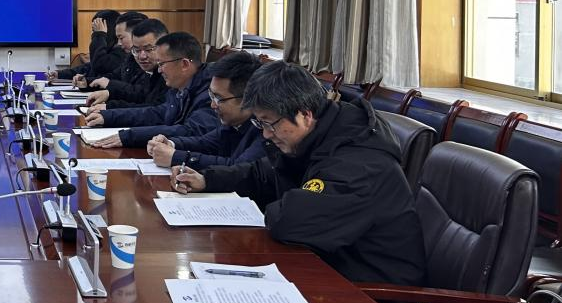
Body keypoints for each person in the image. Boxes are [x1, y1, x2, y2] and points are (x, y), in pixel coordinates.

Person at [172, 62, 426, 285]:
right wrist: (208, 179)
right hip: (327, 267)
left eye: (269, 123)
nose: (265, 134)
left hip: (370, 293)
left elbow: (289, 222)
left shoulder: (359, 161)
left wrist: (275, 205)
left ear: (304, 114)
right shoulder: (320, 134)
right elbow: (266, 173)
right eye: (259, 123)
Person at [87, 31, 218, 148]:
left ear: (184, 64)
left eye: (162, 64)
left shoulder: (212, 92)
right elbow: (159, 113)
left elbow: (190, 131)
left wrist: (130, 136)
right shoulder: (180, 85)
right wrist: (109, 116)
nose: (159, 70)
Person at [149, 50, 265, 171]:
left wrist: (176, 157)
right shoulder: (233, 122)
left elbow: (236, 168)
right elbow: (205, 143)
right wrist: (171, 143)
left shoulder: (265, 129)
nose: (212, 105)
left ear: (247, 100)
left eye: (219, 98)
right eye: (211, 95)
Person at [84, 17, 169, 110]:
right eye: (136, 50)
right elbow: (141, 95)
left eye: (148, 49)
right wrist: (109, 94)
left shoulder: (169, 72)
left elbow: (156, 110)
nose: (142, 56)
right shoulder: (139, 61)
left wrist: (109, 108)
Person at [52, 9, 126, 87]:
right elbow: (88, 68)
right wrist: (60, 74)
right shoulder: (109, 50)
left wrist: (99, 35)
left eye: (95, 30)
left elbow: (99, 65)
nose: (93, 35)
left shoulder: (122, 53)